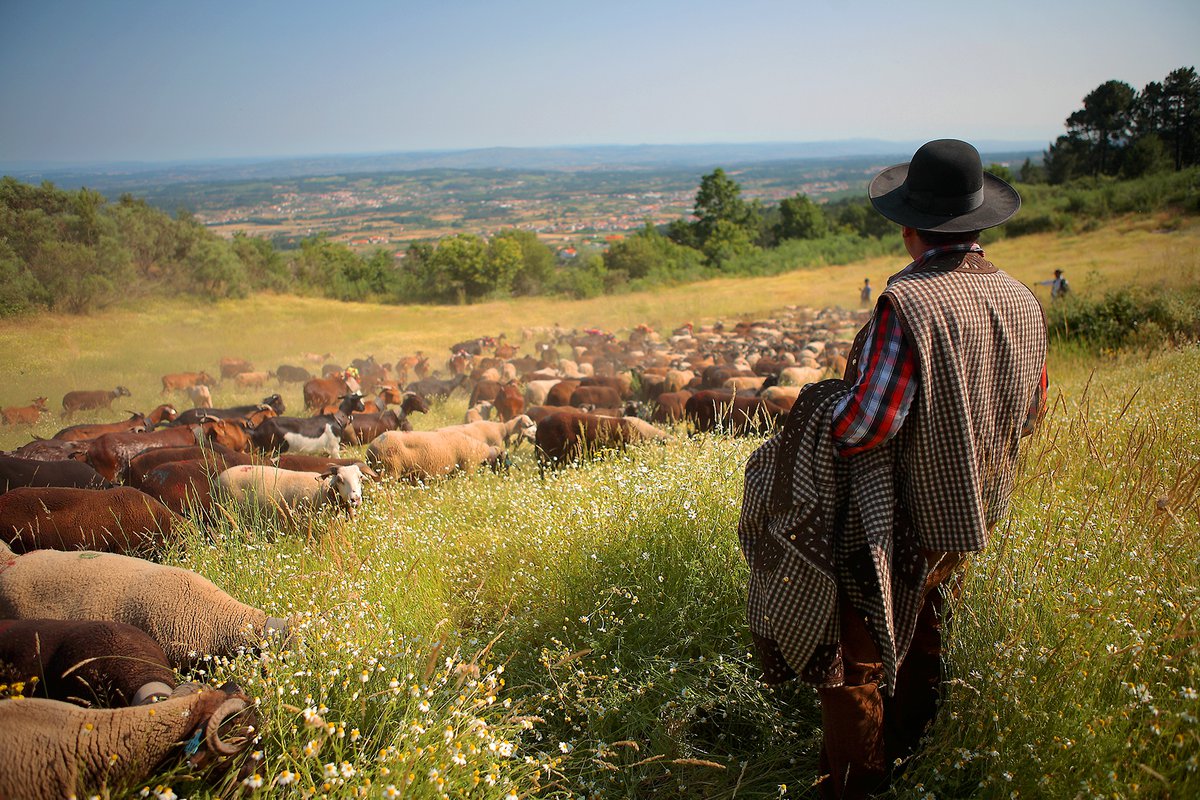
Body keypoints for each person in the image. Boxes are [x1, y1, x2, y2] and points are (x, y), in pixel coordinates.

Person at [737, 139, 1048, 798]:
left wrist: (821, 405)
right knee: (931, 632)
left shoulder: (907, 303)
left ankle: (859, 783)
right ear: (978, 223)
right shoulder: (1023, 300)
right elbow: (1032, 409)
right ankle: (915, 758)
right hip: (977, 509)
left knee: (857, 665)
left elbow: (865, 425)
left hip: (899, 517)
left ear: (909, 228)